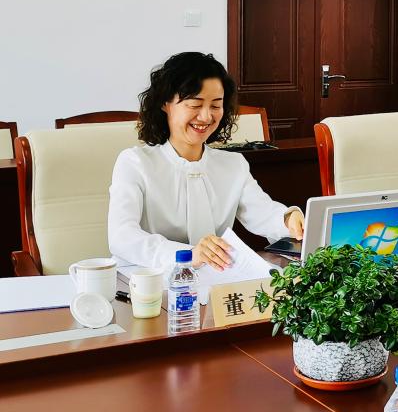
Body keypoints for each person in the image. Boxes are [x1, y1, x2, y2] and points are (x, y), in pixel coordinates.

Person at [108, 52, 304, 271]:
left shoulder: (233, 165)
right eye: (195, 104)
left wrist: (288, 219)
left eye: (215, 106)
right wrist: (188, 254)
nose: (206, 117)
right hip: (150, 281)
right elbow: (122, 237)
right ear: (165, 103)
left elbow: (263, 213)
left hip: (216, 280)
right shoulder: (135, 163)